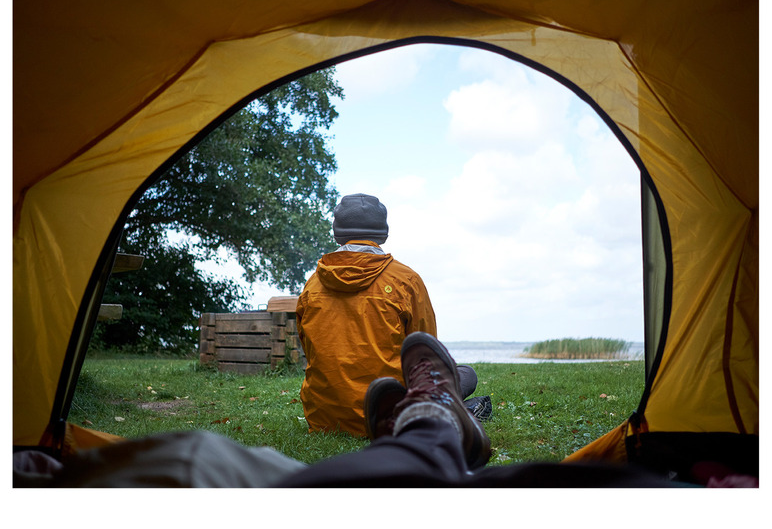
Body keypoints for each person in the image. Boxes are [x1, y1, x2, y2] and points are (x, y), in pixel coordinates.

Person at [29, 332, 676, 488]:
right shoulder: (403, 275)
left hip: (320, 416)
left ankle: (424, 417)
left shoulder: (314, 280)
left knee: (199, 459)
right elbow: (420, 326)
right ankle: (440, 414)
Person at [295, 193, 481, 437]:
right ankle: (452, 412)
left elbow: (309, 349)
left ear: (337, 233)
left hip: (326, 418)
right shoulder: (406, 280)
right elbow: (427, 355)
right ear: (383, 233)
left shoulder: (312, 285)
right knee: (466, 375)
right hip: (391, 416)